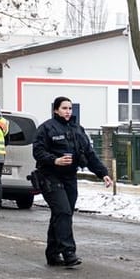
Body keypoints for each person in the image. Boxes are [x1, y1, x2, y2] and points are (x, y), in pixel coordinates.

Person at [31, 96, 113, 267]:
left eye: (70, 108)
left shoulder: (77, 129)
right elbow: (38, 151)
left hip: (69, 177)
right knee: (63, 211)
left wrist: (103, 173)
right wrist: (55, 160)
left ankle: (53, 254)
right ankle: (68, 252)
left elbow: (89, 154)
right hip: (50, 175)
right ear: (56, 110)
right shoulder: (46, 128)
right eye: (64, 108)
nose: (68, 111)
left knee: (62, 214)